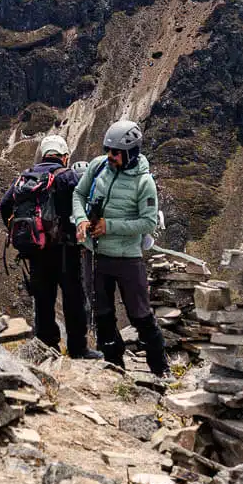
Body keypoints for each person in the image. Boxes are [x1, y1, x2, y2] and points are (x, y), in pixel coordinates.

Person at [73, 120, 168, 377]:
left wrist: (109, 226)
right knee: (102, 313)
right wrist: (81, 219)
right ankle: (114, 366)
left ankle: (160, 369)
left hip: (127, 258)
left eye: (116, 152)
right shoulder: (97, 166)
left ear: (131, 152)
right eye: (108, 150)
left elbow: (147, 222)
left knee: (140, 315)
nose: (110, 156)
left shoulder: (144, 182)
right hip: (95, 254)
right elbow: (78, 194)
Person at [0, 135, 97, 359]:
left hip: (35, 250)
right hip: (65, 250)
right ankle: (78, 348)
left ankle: (47, 347)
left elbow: (5, 204)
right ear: (64, 157)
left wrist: (19, 230)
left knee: (43, 299)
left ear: (43, 154)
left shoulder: (24, 178)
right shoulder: (67, 176)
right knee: (73, 298)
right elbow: (87, 199)